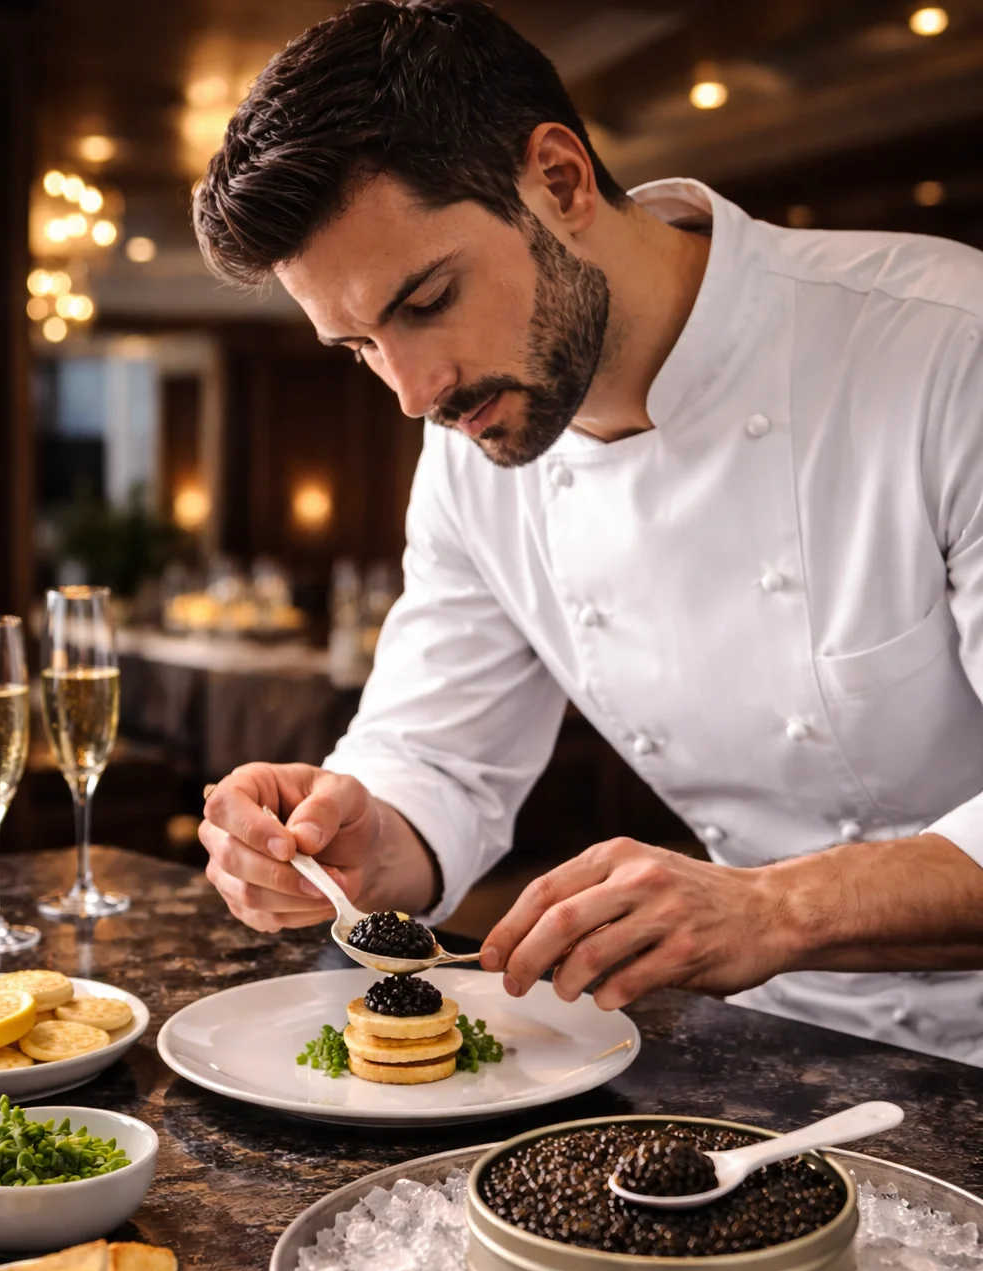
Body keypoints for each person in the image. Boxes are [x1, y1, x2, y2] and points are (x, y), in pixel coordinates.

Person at [193, 0, 983, 1063]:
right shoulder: (474, 436)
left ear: (558, 182)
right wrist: (348, 842)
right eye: (358, 347)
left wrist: (770, 910)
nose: (412, 393)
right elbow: (438, 757)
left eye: (426, 298)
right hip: (775, 1044)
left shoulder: (947, 350)